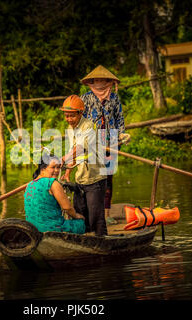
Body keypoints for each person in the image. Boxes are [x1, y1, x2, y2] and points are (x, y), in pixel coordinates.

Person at [80, 65, 130, 225]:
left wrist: (122, 133)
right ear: (92, 82)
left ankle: (107, 214)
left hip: (112, 141)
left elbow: (119, 119)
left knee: (108, 179)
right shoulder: (85, 99)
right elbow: (81, 121)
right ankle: (93, 214)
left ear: (108, 82)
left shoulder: (114, 98)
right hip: (92, 143)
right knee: (93, 179)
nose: (100, 83)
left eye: (103, 80)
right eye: (97, 80)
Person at [60, 95, 108, 236]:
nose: (69, 119)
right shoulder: (70, 129)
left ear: (80, 113)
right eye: (66, 116)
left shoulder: (88, 126)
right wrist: (68, 171)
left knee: (96, 216)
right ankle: (84, 241)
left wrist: (64, 158)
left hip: (95, 178)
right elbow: (73, 151)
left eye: (71, 116)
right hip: (80, 178)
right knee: (80, 212)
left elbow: (80, 147)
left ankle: (102, 240)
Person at [24, 153, 86, 234]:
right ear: (42, 169)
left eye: (58, 167)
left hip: (32, 229)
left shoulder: (29, 185)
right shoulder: (52, 183)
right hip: (51, 228)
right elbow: (67, 208)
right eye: (53, 167)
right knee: (80, 223)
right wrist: (76, 216)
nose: (57, 170)